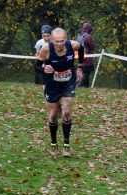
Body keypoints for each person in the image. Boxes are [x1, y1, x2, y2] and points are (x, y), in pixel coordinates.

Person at [36, 27, 84, 157]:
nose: (59, 44)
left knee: (67, 112)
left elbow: (81, 48)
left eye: (62, 41)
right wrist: (44, 69)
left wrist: (80, 67)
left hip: (68, 83)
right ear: (52, 40)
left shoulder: (73, 45)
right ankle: (53, 144)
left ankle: (66, 146)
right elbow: (37, 66)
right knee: (52, 115)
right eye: (56, 41)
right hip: (52, 84)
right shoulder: (46, 49)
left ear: (66, 39)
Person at [77, 22, 96, 88]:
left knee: (85, 72)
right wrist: (95, 44)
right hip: (88, 57)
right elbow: (91, 47)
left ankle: (86, 87)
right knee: (87, 73)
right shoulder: (88, 36)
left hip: (81, 56)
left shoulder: (79, 36)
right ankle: (79, 85)